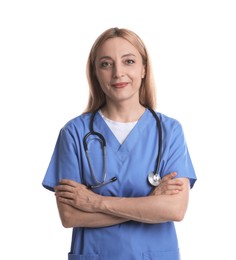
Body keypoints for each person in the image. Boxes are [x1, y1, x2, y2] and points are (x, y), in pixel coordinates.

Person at [42, 27, 197, 260]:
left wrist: (96, 202)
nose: (118, 73)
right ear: (95, 73)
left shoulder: (169, 131)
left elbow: (174, 209)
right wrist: (149, 205)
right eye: (106, 64)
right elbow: (70, 216)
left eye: (129, 61)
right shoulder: (74, 133)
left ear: (144, 69)